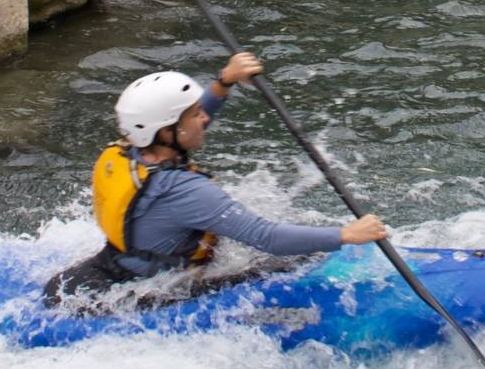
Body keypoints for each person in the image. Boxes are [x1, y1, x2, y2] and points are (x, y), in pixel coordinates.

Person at [44, 52, 389, 302]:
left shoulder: (127, 150)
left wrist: (225, 81)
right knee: (293, 262)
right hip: (146, 294)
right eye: (195, 115)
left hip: (107, 270)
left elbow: (183, 120)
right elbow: (265, 237)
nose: (204, 119)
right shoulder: (185, 191)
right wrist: (346, 234)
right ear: (167, 131)